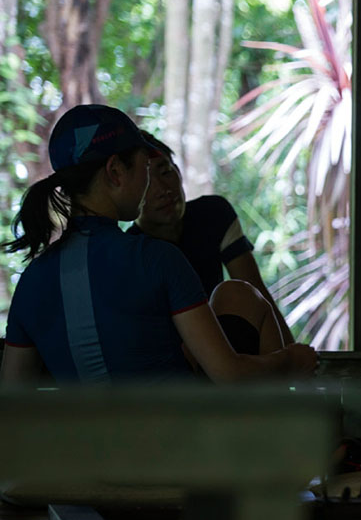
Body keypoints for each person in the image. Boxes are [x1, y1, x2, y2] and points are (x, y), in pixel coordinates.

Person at [0, 104, 316, 383]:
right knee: (240, 295)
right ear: (115, 171)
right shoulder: (156, 259)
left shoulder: (32, 281)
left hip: (85, 447)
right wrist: (291, 359)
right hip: (180, 441)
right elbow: (228, 373)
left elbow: (13, 400)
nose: (152, 183)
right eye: (145, 169)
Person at [129, 131, 295, 347]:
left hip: (223, 346)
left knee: (238, 293)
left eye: (166, 172)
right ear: (130, 192)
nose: (163, 190)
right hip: (170, 363)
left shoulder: (214, 215)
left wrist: (295, 363)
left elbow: (256, 292)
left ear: (179, 172)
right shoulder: (129, 250)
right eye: (148, 181)